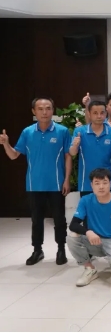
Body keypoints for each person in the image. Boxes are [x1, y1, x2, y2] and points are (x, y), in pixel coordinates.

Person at [0, 97, 71, 266]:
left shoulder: (62, 131)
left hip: (56, 183)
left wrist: (67, 180)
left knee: (59, 219)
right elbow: (14, 155)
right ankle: (37, 250)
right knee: (36, 219)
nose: (44, 112)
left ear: (52, 110)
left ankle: (61, 249)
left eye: (48, 108)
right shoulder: (27, 132)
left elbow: (68, 156)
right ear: (34, 111)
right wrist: (6, 144)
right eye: (40, 109)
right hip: (34, 184)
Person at [67, 168, 111, 287]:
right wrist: (88, 232)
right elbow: (73, 225)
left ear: (110, 184)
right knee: (72, 236)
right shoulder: (86, 200)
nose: (101, 187)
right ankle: (89, 268)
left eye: (104, 183)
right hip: (94, 240)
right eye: (97, 183)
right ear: (92, 185)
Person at [69, 100, 111, 195]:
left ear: (106, 113)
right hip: (86, 182)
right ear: (89, 114)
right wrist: (75, 145)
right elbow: (72, 152)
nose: (99, 116)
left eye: (102, 113)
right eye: (95, 113)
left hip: (108, 181)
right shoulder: (80, 131)